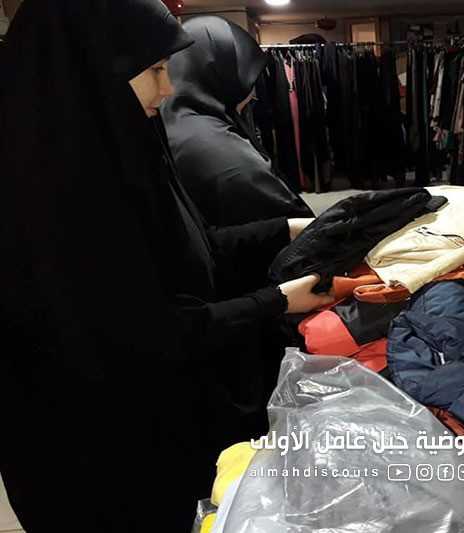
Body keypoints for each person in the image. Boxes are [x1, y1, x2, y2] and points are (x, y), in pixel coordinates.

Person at [0, 1, 332, 531]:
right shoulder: (50, 194)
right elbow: (144, 333)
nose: (169, 87)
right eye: (154, 70)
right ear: (94, 68)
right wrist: (275, 301)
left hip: (149, 428)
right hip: (96, 463)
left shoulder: (119, 148)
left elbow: (187, 248)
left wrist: (284, 229)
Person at [162, 16, 314, 227]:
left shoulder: (172, 123)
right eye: (248, 78)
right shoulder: (217, 149)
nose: (253, 93)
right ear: (223, 74)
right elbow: (289, 220)